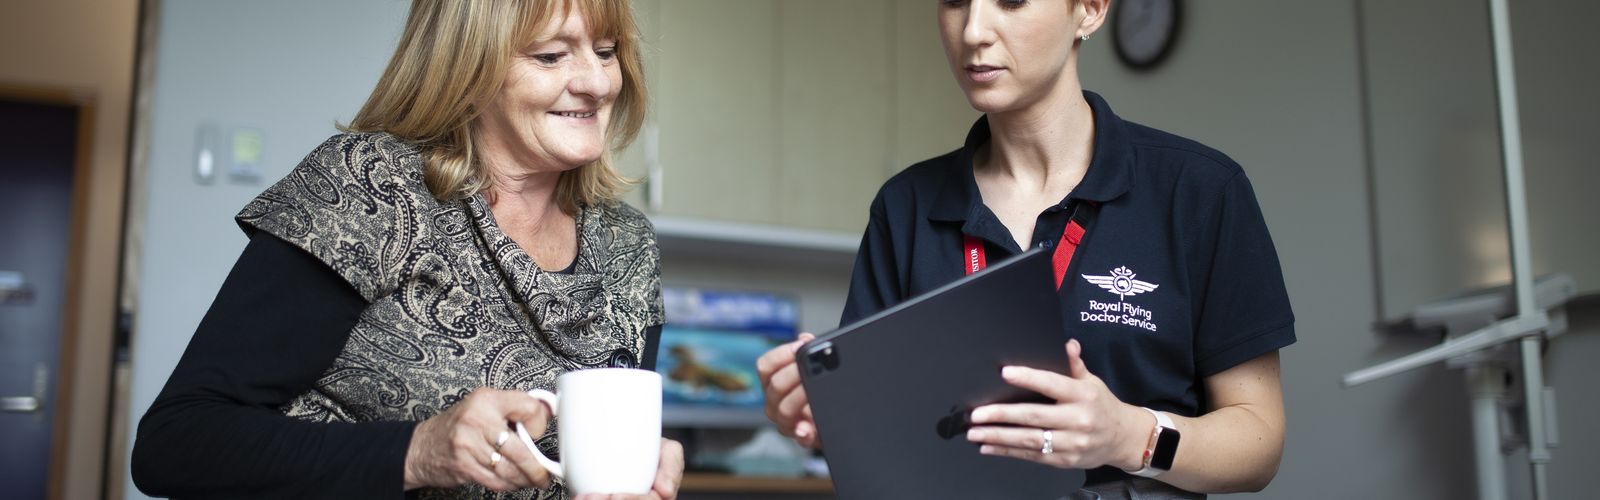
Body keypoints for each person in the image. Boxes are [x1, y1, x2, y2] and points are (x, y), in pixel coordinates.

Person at [131, 1, 682, 498]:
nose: (596, 81)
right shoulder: (370, 188)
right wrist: (418, 452)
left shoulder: (626, 245)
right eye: (550, 55)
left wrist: (645, 470)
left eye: (606, 52)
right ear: (469, 68)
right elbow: (175, 442)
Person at [758, 0, 1292, 498]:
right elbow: (881, 439)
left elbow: (1259, 441)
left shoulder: (1199, 190)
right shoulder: (904, 207)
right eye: (955, 1)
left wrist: (1129, 436)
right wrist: (820, 418)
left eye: (1011, 0)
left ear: (1089, 9)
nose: (972, 31)